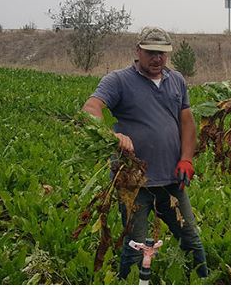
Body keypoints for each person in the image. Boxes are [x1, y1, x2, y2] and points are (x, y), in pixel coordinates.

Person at [82, 26, 208, 279]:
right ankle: (128, 281)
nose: (157, 58)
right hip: (133, 183)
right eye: (151, 52)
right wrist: (112, 135)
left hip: (172, 180)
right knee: (134, 245)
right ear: (138, 50)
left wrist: (186, 159)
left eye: (162, 53)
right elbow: (90, 108)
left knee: (191, 238)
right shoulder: (118, 80)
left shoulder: (177, 80)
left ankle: (203, 279)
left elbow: (187, 122)